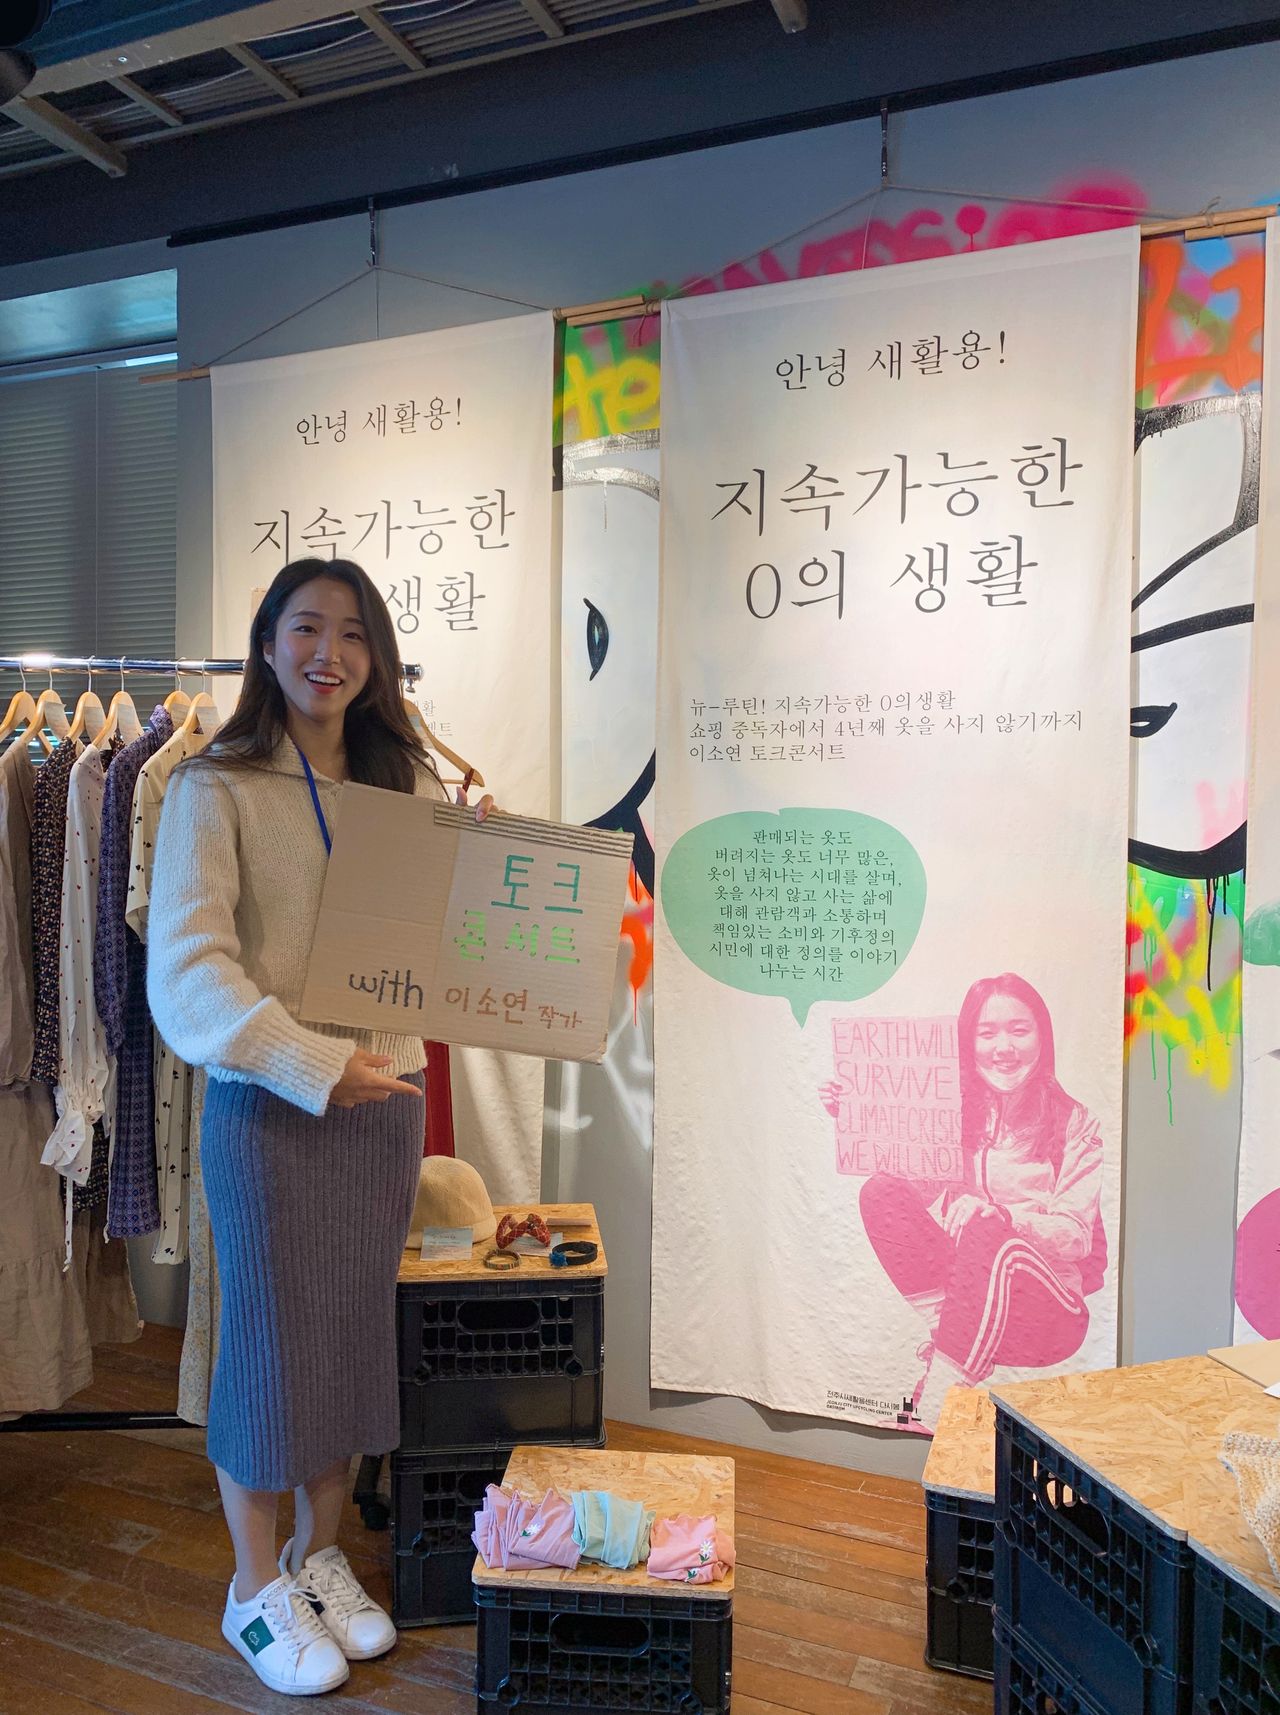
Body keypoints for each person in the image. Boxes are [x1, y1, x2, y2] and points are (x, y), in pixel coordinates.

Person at [147, 558, 494, 1696]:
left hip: (381, 1103)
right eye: (306, 627)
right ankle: (253, 1586)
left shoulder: (406, 786)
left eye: (352, 633)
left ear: (376, 658)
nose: (328, 653)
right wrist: (309, 1060)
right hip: (268, 1105)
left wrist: (490, 871)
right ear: (266, 643)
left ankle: (318, 1553)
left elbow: (441, 951)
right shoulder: (215, 785)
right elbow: (187, 974)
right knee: (264, 1344)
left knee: (347, 1336)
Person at [827, 974, 1105, 1431]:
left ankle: (939, 1396)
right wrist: (858, 1112)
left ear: (1043, 1037)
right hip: (970, 1301)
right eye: (987, 1032)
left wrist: (1005, 1217)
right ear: (968, 1042)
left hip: (1047, 1315)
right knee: (880, 1191)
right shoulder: (956, 1111)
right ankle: (950, 1333)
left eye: (1019, 1030)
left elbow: (1076, 1236)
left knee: (986, 1227)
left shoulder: (1075, 1121)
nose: (1003, 1047)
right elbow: (910, 1194)